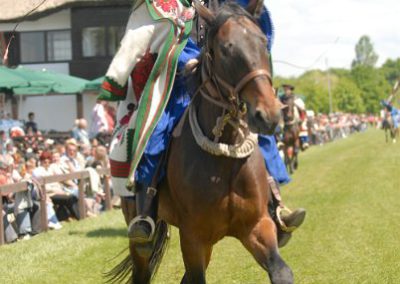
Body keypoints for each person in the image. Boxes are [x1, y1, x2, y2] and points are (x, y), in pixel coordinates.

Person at [100, 0, 305, 247]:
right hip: (183, 80)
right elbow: (167, 42)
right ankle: (146, 212)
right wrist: (188, 59)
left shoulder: (232, 2)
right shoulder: (172, 5)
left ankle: (275, 205)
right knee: (158, 129)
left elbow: (258, 31)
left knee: (258, 127)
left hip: (226, 79)